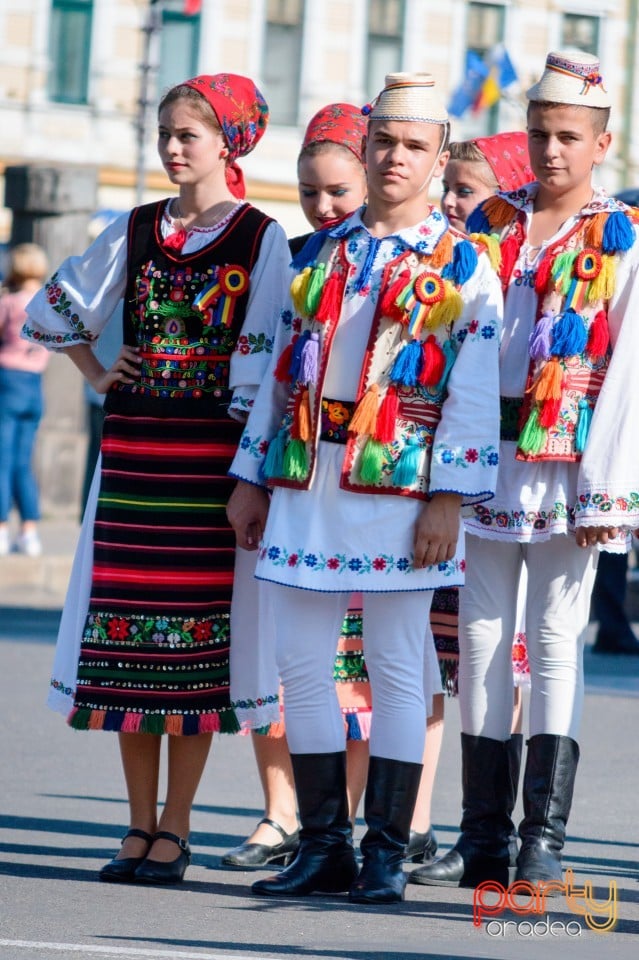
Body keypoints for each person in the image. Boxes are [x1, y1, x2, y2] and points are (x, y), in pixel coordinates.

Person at [227, 72, 502, 904]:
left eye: (413, 146)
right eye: (382, 141)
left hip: (401, 488)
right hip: (307, 480)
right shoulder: (314, 250)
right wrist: (248, 476)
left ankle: (384, 851)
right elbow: (276, 371)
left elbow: (475, 386)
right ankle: (322, 846)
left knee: (395, 666)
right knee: (302, 666)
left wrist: (450, 497)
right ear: (365, 144)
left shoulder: (463, 263)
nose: (394, 158)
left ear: (438, 156)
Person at [24, 73, 289, 884]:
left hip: (208, 463)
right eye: (166, 132)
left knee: (196, 649)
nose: (173, 147)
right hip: (135, 456)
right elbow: (55, 308)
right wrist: (100, 370)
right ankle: (135, 825)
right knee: (125, 645)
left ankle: (175, 825)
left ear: (229, 143)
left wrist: (251, 473)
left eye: (189, 135)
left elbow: (268, 359)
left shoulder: (259, 237)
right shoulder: (135, 228)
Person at [413, 49, 639, 890]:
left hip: (564, 461)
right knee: (476, 640)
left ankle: (540, 835)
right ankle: (481, 837)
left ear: (599, 142)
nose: (550, 151)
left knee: (552, 639)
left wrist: (606, 487)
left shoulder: (622, 237)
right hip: (481, 458)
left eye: (567, 137)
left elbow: (629, 373)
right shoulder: (489, 228)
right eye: (540, 134)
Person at [223, 103, 370, 870]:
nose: (322, 207)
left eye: (337, 190)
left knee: (355, 663)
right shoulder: (297, 255)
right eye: (309, 191)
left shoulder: (404, 259)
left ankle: (337, 818)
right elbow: (269, 380)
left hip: (368, 484)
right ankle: (281, 813)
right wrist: (250, 476)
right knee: (282, 654)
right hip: (292, 472)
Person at [409, 133, 535, 886]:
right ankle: (429, 825)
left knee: (499, 661)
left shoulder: (519, 271)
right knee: (435, 657)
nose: (454, 202)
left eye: (469, 191)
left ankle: (499, 831)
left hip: (508, 481)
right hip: (428, 484)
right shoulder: (439, 264)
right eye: (450, 188)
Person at [0, 243, 49, 557]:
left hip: (7, 381)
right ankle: (30, 529)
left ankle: (2, 528)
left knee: (2, 460)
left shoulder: (9, 302)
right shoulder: (48, 304)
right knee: (23, 462)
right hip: (35, 383)